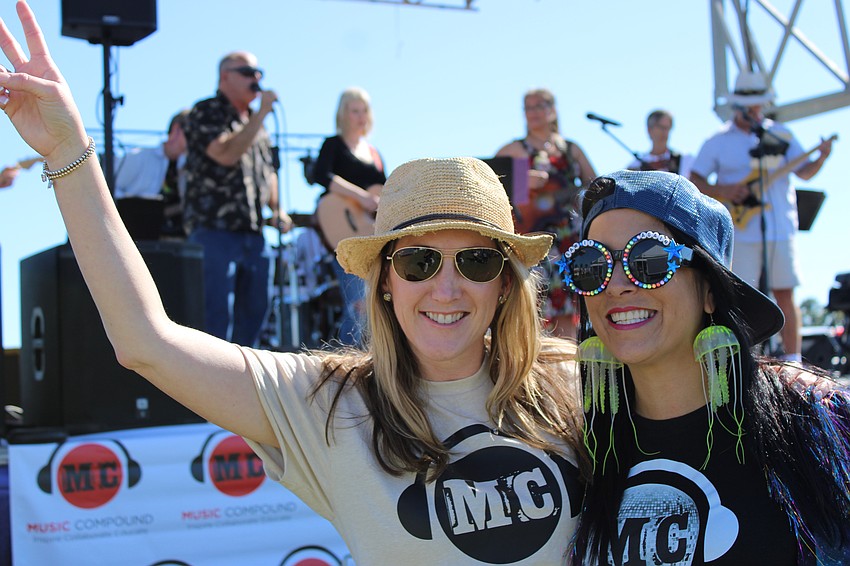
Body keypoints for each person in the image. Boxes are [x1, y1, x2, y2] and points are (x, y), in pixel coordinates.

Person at [0, 7, 587, 562]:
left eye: (477, 263)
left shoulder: (575, 383)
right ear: (384, 282)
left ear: (506, 286)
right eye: (418, 263)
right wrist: (69, 152)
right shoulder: (334, 407)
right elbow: (145, 342)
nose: (447, 287)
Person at [556, 170, 850, 564]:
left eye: (649, 260)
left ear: (710, 290)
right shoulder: (581, 450)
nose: (617, 284)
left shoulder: (813, 423)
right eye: (592, 264)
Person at [689, 71, 833, 363]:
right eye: (750, 104)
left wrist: (822, 157)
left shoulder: (780, 134)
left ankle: (793, 360)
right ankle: (746, 359)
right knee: (741, 295)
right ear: (738, 106)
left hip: (780, 227)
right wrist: (726, 189)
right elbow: (696, 179)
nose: (756, 110)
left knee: (785, 291)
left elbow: (803, 170)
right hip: (740, 230)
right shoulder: (717, 141)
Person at [182, 49, 292, 347]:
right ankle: (210, 387)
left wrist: (277, 208)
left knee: (255, 315)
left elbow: (268, 173)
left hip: (254, 235)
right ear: (224, 77)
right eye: (247, 72)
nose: (256, 78)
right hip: (215, 230)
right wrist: (260, 116)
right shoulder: (206, 111)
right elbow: (225, 153)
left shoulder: (259, 126)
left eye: (259, 73)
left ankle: (244, 386)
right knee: (216, 318)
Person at [496, 88, 596, 338]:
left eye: (539, 106)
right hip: (532, 235)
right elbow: (489, 184)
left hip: (569, 236)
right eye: (528, 108)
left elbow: (595, 185)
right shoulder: (515, 149)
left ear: (552, 110)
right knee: (534, 300)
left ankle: (567, 365)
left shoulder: (570, 149)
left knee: (568, 303)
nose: (533, 113)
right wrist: (521, 181)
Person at [312, 87, 386, 346]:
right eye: (354, 111)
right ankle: (347, 363)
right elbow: (321, 176)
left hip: (369, 237)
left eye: (364, 110)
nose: (360, 116)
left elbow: (382, 193)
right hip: (342, 234)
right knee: (357, 304)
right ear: (343, 115)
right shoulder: (333, 145)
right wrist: (360, 197)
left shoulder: (374, 153)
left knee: (374, 304)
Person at [113, 109, 189, 241]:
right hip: (135, 240)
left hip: (176, 246)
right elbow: (107, 188)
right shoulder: (138, 157)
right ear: (176, 130)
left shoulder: (192, 168)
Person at [625, 109, 694, 178]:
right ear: (649, 130)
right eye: (660, 127)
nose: (665, 132)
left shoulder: (684, 160)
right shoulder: (635, 167)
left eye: (668, 128)